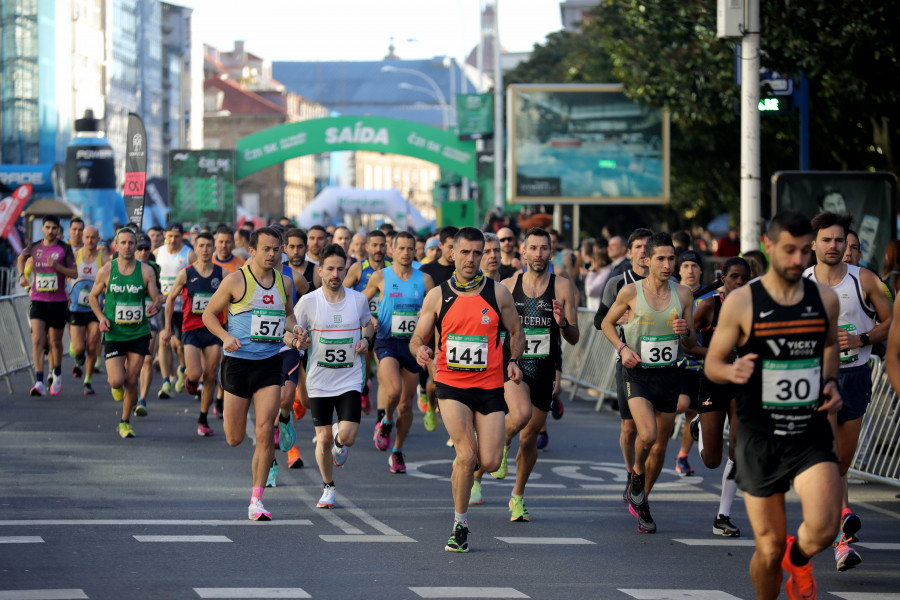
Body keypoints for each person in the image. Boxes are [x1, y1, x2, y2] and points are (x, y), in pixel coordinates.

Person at [705, 211, 842, 600]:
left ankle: (798, 559)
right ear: (768, 247)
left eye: (804, 251)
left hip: (808, 430)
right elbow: (714, 362)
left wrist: (829, 381)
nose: (798, 260)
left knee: (825, 528)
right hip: (760, 436)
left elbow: (829, 345)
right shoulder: (743, 302)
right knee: (767, 549)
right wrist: (732, 373)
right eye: (788, 251)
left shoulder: (824, 299)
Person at [410, 227, 524, 552]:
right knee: (466, 454)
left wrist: (514, 360)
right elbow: (418, 336)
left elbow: (516, 330)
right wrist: (420, 349)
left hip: (489, 386)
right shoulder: (438, 296)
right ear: (453, 254)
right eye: (466, 252)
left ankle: (466, 472)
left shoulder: (498, 293)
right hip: (451, 384)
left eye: (478, 252)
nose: (472, 259)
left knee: (487, 461)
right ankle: (459, 525)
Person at [803, 211, 892, 571]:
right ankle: (841, 531)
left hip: (855, 375)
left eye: (839, 240)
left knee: (841, 461)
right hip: (813, 380)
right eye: (826, 240)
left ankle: (836, 527)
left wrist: (862, 338)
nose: (834, 246)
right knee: (827, 454)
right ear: (814, 245)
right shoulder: (801, 283)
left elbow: (893, 322)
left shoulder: (865, 279)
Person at [475, 227, 579, 519]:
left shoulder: (562, 287)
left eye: (543, 248)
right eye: (532, 248)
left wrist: (562, 323)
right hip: (515, 365)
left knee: (530, 437)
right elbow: (492, 328)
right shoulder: (508, 285)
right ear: (523, 251)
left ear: (550, 252)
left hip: (544, 369)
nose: (538, 254)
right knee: (519, 416)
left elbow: (574, 336)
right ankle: (488, 462)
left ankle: (517, 496)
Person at [202, 226, 301, 521]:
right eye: (267, 249)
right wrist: (224, 337)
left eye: (277, 249)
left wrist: (295, 334)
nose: (273, 254)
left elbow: (287, 316)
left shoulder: (284, 282)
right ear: (253, 250)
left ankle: (256, 499)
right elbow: (208, 314)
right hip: (238, 363)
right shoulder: (236, 280)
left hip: (270, 362)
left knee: (264, 429)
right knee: (234, 438)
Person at [601, 232, 696, 534]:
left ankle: (643, 500)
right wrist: (622, 348)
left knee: (659, 448)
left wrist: (685, 331)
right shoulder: (630, 292)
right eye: (661, 259)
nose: (668, 264)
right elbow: (606, 322)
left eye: (672, 258)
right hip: (638, 374)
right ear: (646, 260)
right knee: (647, 434)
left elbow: (691, 341)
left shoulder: (683, 295)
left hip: (669, 373)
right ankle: (636, 475)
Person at [293, 244, 373, 508]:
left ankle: (341, 441)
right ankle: (328, 486)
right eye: (330, 269)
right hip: (319, 381)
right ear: (320, 271)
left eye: (340, 268)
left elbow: (368, 324)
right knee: (323, 438)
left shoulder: (358, 300)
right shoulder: (308, 302)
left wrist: (364, 339)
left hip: (349, 377)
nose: (335, 274)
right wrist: (297, 341)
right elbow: (290, 330)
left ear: (346, 269)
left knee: (346, 436)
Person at [684, 257, 752, 537]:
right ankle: (698, 424)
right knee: (712, 460)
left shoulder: (756, 308)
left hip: (744, 385)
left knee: (738, 450)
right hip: (713, 381)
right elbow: (688, 344)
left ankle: (723, 515)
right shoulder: (710, 306)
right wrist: (716, 354)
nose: (739, 282)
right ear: (722, 278)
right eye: (734, 277)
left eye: (744, 278)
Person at [364, 232, 434, 472]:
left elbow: (434, 310)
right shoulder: (380, 277)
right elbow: (361, 303)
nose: (406, 253)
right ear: (391, 251)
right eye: (401, 248)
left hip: (412, 345)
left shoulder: (424, 280)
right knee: (393, 389)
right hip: (386, 341)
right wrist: (370, 318)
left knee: (407, 404)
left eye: (410, 248)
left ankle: (397, 451)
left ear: (415, 251)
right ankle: (386, 420)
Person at [593, 228, 652, 504]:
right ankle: (632, 474)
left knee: (655, 435)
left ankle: (643, 477)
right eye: (638, 246)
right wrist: (621, 322)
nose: (643, 251)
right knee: (630, 429)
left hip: (662, 367)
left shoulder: (667, 283)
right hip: (629, 364)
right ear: (629, 253)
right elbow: (599, 320)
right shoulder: (618, 283)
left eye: (647, 246)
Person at [89, 228, 161, 438]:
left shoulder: (146, 271)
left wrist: (155, 305)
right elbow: (93, 297)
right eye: (124, 243)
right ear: (116, 245)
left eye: (132, 243)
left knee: (132, 380)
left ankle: (125, 422)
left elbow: (157, 296)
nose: (128, 247)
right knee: (116, 381)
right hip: (114, 332)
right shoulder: (106, 271)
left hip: (138, 332)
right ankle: (116, 386)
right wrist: (101, 318)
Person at [162, 232, 227, 436]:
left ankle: (203, 417)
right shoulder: (186, 273)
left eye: (209, 245)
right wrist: (166, 328)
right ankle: (190, 381)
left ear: (213, 248)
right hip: (191, 329)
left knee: (211, 374)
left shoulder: (221, 274)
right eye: (201, 245)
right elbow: (170, 299)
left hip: (214, 330)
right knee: (195, 374)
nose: (205, 249)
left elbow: (234, 299)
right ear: (195, 249)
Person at [17, 215, 77, 396]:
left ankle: (57, 373)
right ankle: (39, 381)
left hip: (58, 302)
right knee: (37, 339)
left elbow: (74, 273)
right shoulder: (35, 247)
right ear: (42, 228)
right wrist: (22, 275)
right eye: (47, 227)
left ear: (58, 230)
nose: (51, 231)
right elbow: (21, 257)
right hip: (38, 300)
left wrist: (57, 267)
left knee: (55, 342)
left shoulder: (64, 249)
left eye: (54, 228)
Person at [344, 230, 390, 416]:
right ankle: (364, 389)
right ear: (366, 247)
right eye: (374, 245)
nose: (378, 249)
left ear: (387, 247)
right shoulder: (358, 269)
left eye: (382, 245)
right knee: (365, 372)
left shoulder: (392, 268)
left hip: (386, 328)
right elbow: (344, 294)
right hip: (364, 327)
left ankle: (381, 419)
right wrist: (366, 314)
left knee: (383, 374)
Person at [673, 251, 707, 478]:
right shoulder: (671, 293)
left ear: (701, 270)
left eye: (694, 266)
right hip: (677, 361)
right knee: (680, 403)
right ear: (679, 270)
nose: (690, 270)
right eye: (685, 266)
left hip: (704, 363)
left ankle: (682, 457)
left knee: (694, 414)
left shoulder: (712, 295)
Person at [155, 222, 196, 398]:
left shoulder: (189, 254)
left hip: (183, 308)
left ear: (182, 236)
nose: (172, 240)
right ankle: (166, 382)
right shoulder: (158, 253)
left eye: (176, 236)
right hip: (164, 307)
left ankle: (181, 369)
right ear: (165, 235)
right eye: (170, 236)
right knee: (164, 340)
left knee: (180, 345)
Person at [68, 225, 109, 395]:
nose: (90, 240)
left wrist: (107, 297)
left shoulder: (104, 258)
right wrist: (65, 291)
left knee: (92, 345)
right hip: (76, 308)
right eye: (87, 237)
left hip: (95, 309)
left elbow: (110, 279)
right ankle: (79, 359)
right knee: (78, 348)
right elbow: (64, 274)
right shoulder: (75, 256)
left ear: (98, 239)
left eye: (93, 237)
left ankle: (88, 380)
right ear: (82, 239)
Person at [135, 236, 161, 413]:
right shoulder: (120, 266)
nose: (144, 252)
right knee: (130, 362)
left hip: (148, 313)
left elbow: (157, 294)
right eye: (140, 248)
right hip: (127, 316)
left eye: (147, 248)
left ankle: (142, 399)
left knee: (147, 358)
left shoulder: (154, 268)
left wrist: (159, 301)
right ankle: (129, 388)